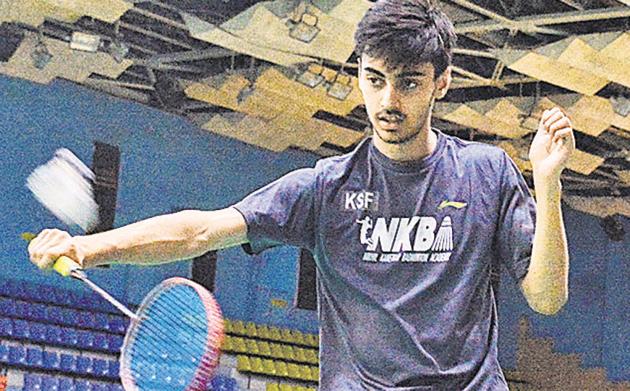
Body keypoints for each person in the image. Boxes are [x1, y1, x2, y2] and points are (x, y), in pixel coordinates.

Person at [28, 0, 575, 389]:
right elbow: (200, 230)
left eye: (408, 82)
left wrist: (547, 186)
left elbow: (547, 299)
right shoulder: (325, 187)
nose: (387, 99)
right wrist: (88, 249)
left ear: (442, 83)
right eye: (374, 78)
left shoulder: (486, 174)